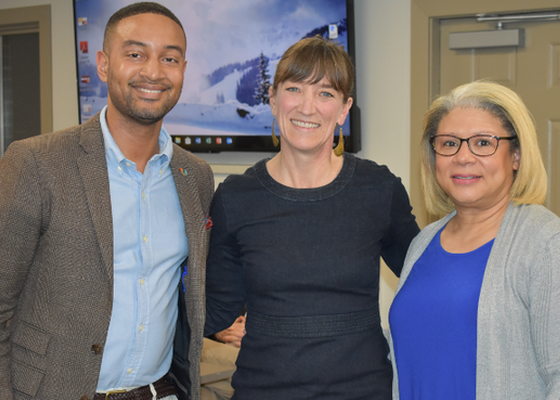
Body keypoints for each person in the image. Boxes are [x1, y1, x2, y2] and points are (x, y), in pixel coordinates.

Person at [0, 3, 214, 400]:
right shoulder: (35, 163)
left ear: (183, 69)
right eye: (135, 54)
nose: (153, 71)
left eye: (170, 58)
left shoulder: (194, 177)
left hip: (158, 391)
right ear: (103, 64)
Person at [204, 35, 420, 400]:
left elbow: (425, 281)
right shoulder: (234, 197)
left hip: (361, 391)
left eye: (325, 93)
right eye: (294, 89)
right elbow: (214, 307)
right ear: (272, 99)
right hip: (263, 390)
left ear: (343, 109)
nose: (307, 107)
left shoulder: (378, 189)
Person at [388, 80, 560, 399]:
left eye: (483, 143)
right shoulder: (423, 243)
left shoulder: (546, 242)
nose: (463, 157)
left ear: (517, 156)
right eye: (449, 144)